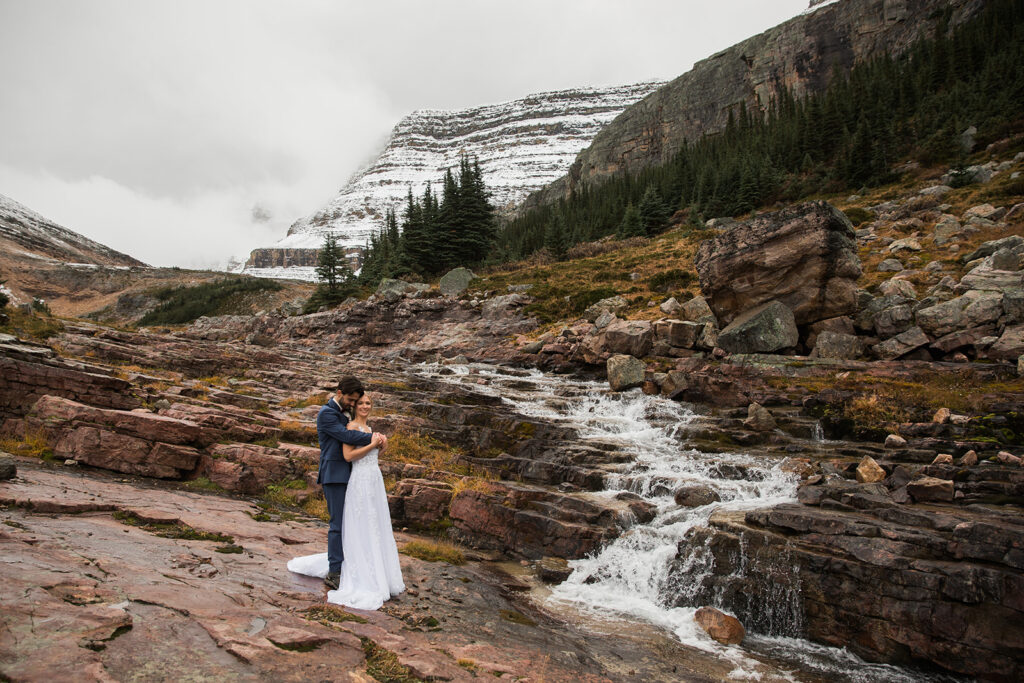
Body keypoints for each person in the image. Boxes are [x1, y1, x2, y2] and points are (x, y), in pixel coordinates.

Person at [288, 390, 405, 610]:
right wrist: (372, 442)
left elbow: (377, 452)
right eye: (359, 402)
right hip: (357, 479)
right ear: (352, 405)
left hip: (373, 481)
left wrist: (381, 441)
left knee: (375, 523)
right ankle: (339, 570)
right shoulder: (348, 426)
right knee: (346, 523)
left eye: (368, 403)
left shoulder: (370, 429)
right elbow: (348, 455)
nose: (364, 406)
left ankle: (377, 567)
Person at [310, 376, 384, 590]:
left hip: (352, 476)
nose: (353, 404)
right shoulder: (326, 414)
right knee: (337, 524)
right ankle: (334, 572)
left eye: (356, 401)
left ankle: (351, 565)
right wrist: (374, 440)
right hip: (334, 474)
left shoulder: (344, 414)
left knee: (352, 523)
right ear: (339, 393)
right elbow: (346, 435)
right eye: (351, 400)